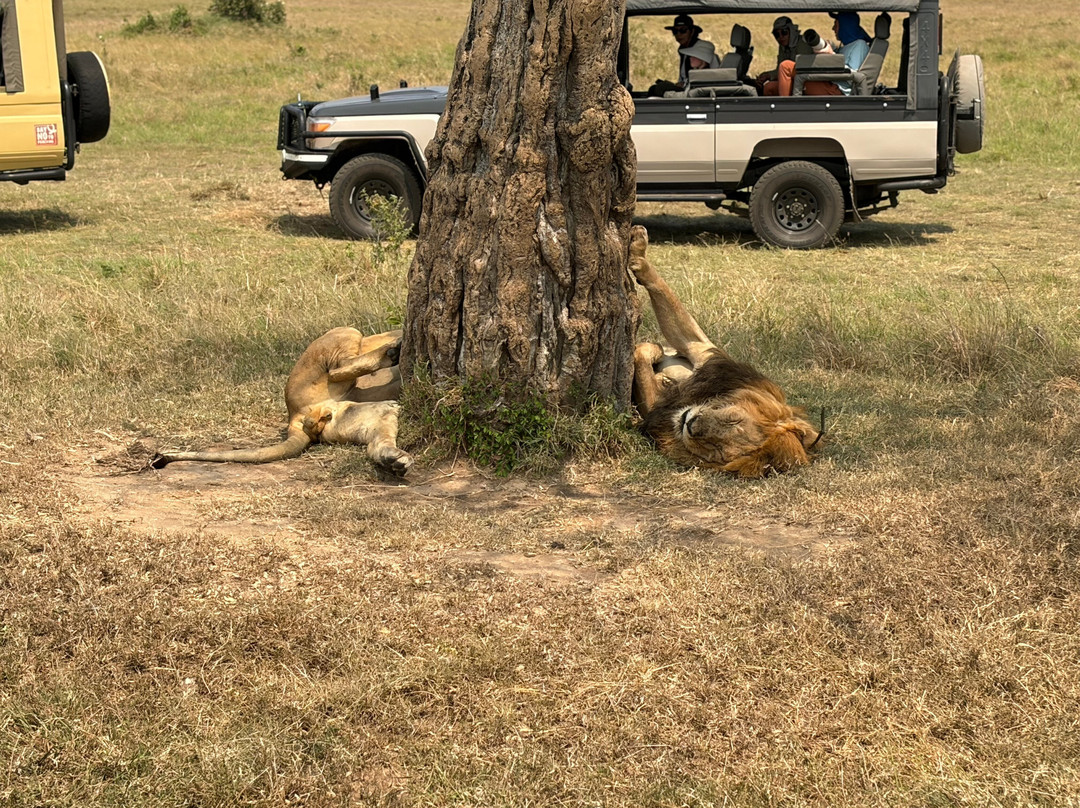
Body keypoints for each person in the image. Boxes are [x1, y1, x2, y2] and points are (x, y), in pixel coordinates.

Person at [648, 14, 720, 96]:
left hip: (695, 92)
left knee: (657, 89)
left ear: (692, 31)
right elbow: (683, 77)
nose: (678, 35)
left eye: (683, 30)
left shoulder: (702, 50)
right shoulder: (684, 51)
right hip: (687, 88)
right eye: (675, 31)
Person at [756, 16, 813, 96]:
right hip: (792, 80)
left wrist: (771, 76)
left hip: (805, 82)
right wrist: (766, 75)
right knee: (768, 88)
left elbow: (801, 70)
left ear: (792, 31)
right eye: (777, 35)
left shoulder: (802, 44)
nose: (781, 37)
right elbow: (780, 70)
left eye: (784, 32)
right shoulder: (783, 47)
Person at [828, 11, 872, 94]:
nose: (833, 28)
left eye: (836, 24)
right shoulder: (847, 46)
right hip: (831, 84)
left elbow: (852, 78)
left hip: (840, 91)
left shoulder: (860, 45)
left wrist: (831, 55)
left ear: (845, 26)